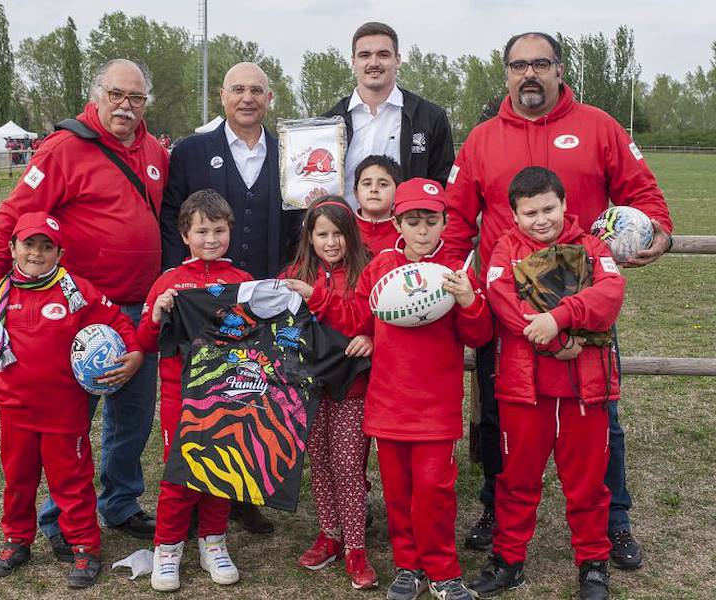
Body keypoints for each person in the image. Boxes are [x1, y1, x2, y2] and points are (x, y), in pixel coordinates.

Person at [444, 31, 673, 570]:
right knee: (502, 416)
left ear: (559, 69)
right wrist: (454, 286)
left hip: (586, 306)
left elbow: (645, 197)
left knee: (599, 418)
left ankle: (614, 522)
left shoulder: (599, 127)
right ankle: (498, 516)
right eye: (518, 65)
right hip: (510, 313)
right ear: (506, 73)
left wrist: (658, 233)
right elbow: (456, 220)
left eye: (540, 63)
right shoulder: (480, 139)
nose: (529, 74)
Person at [0, 58, 169, 553]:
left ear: (146, 103)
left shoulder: (155, 152)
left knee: (134, 414)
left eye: (136, 98)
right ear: (98, 94)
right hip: (77, 312)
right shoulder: (64, 148)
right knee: (69, 421)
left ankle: (120, 503)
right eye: (117, 95)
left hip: (138, 308)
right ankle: (60, 519)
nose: (126, 106)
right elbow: (15, 213)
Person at [308, 178, 492, 600]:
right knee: (398, 493)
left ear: (445, 222)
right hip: (388, 404)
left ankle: (443, 570)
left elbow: (479, 336)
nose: (422, 231)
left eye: (431, 221)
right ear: (396, 222)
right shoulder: (379, 267)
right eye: (413, 221)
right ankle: (409, 567)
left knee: (435, 493)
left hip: (436, 408)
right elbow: (358, 318)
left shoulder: (456, 271)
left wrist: (470, 301)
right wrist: (362, 330)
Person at [467, 167, 624, 600]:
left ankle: (593, 561)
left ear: (564, 204)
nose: (541, 219)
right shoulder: (505, 250)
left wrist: (560, 315)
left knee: (589, 483)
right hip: (525, 389)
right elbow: (502, 301)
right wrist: (556, 341)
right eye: (530, 212)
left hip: (585, 389)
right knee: (516, 480)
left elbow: (610, 294)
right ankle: (509, 560)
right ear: (514, 216)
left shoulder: (591, 247)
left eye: (549, 208)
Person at [160, 61, 303, 534]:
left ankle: (240, 493)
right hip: (201, 300)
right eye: (238, 89)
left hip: (259, 297)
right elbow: (171, 220)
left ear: (269, 98)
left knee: (246, 394)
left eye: (256, 90)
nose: (247, 98)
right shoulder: (192, 150)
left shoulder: (288, 155)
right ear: (222, 95)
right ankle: (194, 500)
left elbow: (297, 226)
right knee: (201, 393)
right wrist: (176, 286)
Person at [0, 212, 143, 588]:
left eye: (47, 247)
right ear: (12, 247)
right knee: (18, 481)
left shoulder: (76, 292)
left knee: (72, 482)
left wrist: (134, 353)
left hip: (65, 413)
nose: (37, 253)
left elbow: (119, 323)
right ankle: (16, 540)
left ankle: (84, 547)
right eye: (29, 244)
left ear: (60, 253)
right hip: (15, 411)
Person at [137, 190, 253, 591]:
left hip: (227, 394)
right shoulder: (169, 282)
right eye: (201, 231)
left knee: (222, 467)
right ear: (184, 234)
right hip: (179, 396)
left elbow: (256, 338)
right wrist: (156, 314)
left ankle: (214, 542)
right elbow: (146, 341)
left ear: (230, 233)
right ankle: (167, 548)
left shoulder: (243, 282)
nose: (210, 239)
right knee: (180, 474)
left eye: (219, 231)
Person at [283, 196, 377, 590]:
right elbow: (282, 326)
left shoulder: (366, 273)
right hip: (311, 387)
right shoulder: (294, 273)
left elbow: (359, 318)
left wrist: (367, 335)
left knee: (348, 465)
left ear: (351, 235)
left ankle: (356, 546)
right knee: (319, 461)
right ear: (310, 236)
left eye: (338, 233)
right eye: (322, 234)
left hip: (351, 387)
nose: (331, 242)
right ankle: (330, 534)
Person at [325, 22, 454, 210]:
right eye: (365, 55)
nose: (374, 63)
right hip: (344, 236)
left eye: (383, 55)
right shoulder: (329, 123)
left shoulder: (430, 117)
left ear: (398, 60)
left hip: (406, 237)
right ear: (353, 61)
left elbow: (444, 187)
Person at [353, 154, 402, 256]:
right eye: (367, 184)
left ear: (398, 192)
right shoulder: (344, 229)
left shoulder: (406, 233)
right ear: (356, 192)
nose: (374, 189)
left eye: (383, 184)